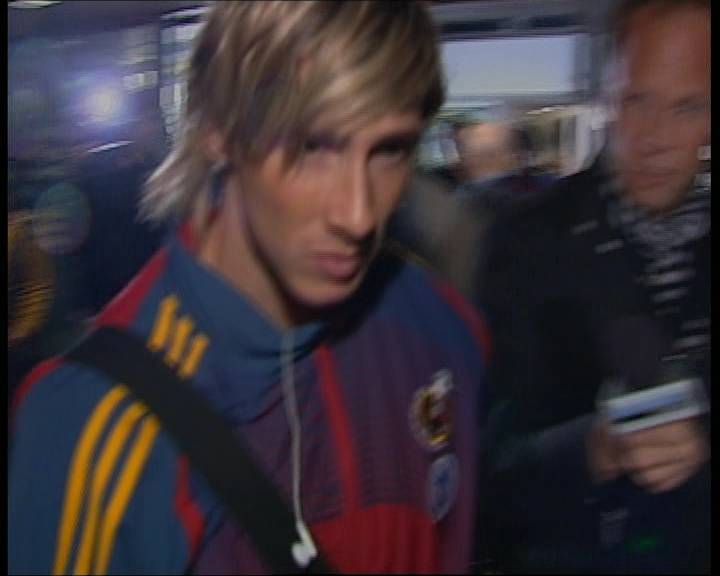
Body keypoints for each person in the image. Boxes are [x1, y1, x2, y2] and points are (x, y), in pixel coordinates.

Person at [8, 2, 488, 574]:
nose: (359, 215)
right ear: (218, 131)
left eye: (390, 151)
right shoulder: (93, 422)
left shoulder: (440, 327)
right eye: (313, 146)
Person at [479, 0, 710, 573]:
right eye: (637, 101)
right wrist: (593, 449)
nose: (655, 139)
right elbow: (485, 466)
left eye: (688, 107)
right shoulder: (526, 242)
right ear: (606, 97)